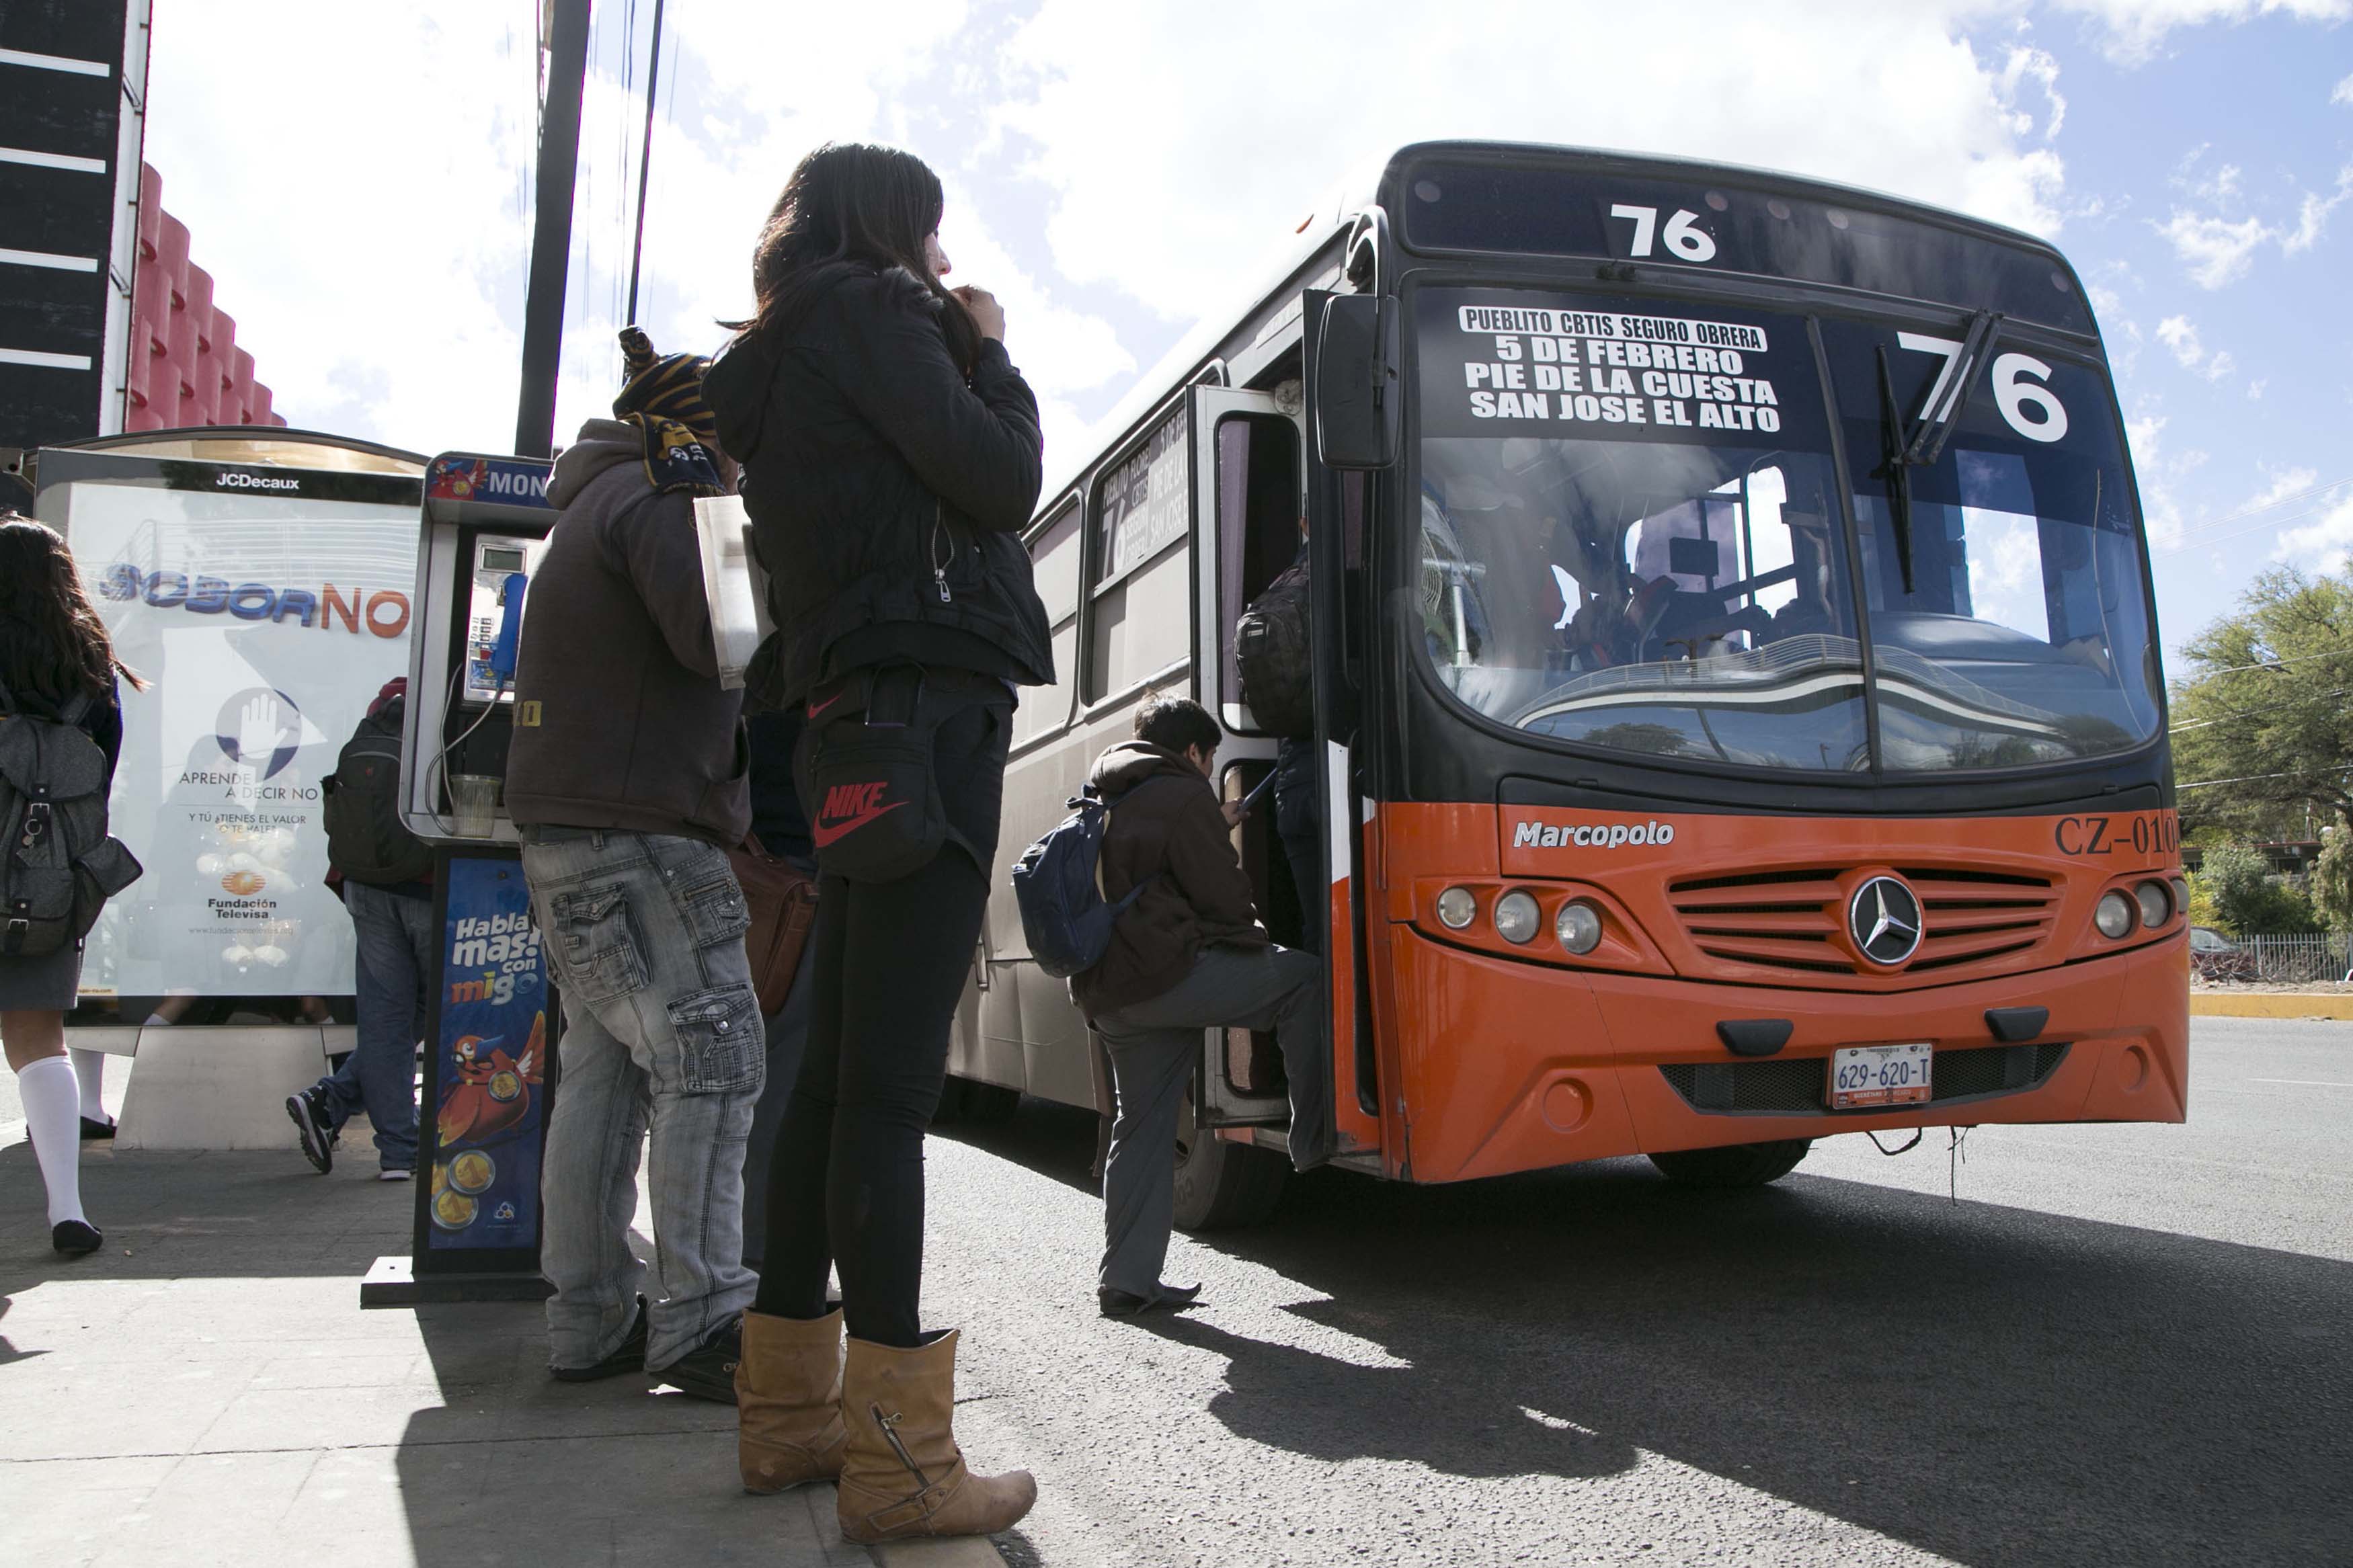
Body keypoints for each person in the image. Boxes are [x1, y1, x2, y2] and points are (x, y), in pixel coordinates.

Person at [704, 141, 1047, 1543]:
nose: (941, 256)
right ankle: (904, 1463)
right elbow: (999, 475)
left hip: (845, 724)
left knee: (835, 1073)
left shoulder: (767, 368)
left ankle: (789, 1415)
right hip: (930, 714)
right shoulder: (885, 316)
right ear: (896, 226)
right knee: (890, 1088)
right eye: (933, 231)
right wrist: (991, 349)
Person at [506, 327, 762, 1405]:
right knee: (714, 1056)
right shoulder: (667, 495)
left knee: (607, 1079)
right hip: (642, 829)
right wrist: (743, 530)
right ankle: (703, 1318)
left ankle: (590, 1316)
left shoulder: (590, 504)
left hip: (568, 834)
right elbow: (730, 640)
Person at [1074, 694, 1333, 1317]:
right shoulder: (1184, 792)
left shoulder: (1110, 789)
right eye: (1211, 754)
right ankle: (1316, 1138)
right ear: (1192, 751)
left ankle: (1127, 1280)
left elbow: (1152, 866)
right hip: (1164, 977)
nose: (1212, 764)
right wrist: (1255, 942)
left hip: (1110, 993)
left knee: (1140, 1128)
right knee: (1303, 980)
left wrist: (1210, 822)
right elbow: (1222, 895)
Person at [0, 514, 144, 1255]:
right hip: (48, 883)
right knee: (40, 1043)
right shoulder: (90, 667)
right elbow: (101, 779)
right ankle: (67, 1208)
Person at [285, 677, 430, 1180]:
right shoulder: (456, 701)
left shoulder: (390, 697)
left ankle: (384, 1141)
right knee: (432, 1010)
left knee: (388, 1017)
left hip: (365, 882)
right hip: (433, 880)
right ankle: (341, 1104)